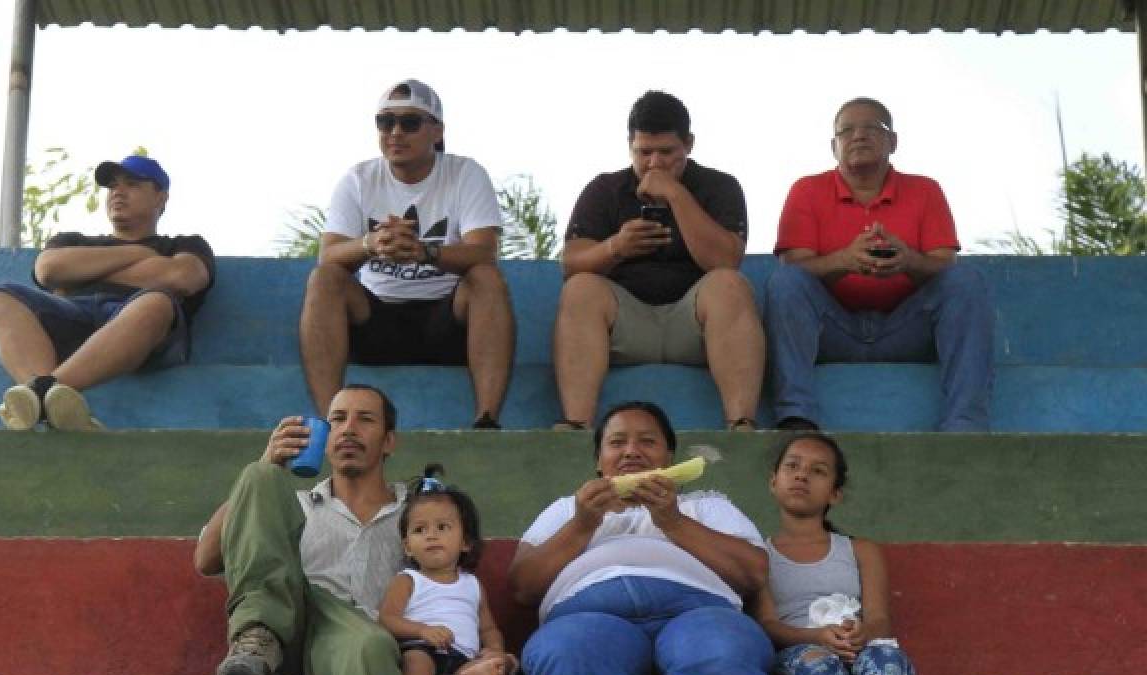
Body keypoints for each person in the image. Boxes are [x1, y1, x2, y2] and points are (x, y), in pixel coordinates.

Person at [508, 401, 773, 675]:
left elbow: (753, 574)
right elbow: (523, 586)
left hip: (698, 612)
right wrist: (582, 525)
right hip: (589, 616)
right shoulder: (567, 509)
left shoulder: (707, 505)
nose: (632, 451)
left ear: (669, 457)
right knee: (563, 652)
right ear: (600, 462)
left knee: (722, 649)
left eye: (647, 441)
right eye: (617, 442)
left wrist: (672, 521)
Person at [193, 384, 407, 675]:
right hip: (288, 625)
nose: (347, 430)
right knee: (257, 478)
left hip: (355, 643)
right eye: (338, 419)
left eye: (365, 420)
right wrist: (266, 462)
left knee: (369, 645)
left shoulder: (416, 510)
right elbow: (205, 559)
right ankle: (257, 637)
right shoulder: (293, 502)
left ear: (389, 441)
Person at [766, 96, 993, 432]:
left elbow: (946, 265)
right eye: (847, 131)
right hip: (832, 328)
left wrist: (908, 261)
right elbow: (792, 266)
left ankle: (965, 425)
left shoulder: (925, 190)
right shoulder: (807, 190)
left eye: (872, 128)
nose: (858, 136)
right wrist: (845, 260)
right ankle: (796, 419)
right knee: (785, 284)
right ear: (834, 146)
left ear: (893, 141)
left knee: (967, 280)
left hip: (905, 327)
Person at [301, 79, 513, 429]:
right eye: (386, 122)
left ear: (437, 131)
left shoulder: (464, 173)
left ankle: (487, 419)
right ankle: (331, 422)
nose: (395, 132)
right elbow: (329, 254)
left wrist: (425, 252)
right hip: (377, 319)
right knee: (325, 278)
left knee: (485, 278)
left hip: (446, 321)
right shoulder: (359, 178)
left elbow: (484, 253)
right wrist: (371, 244)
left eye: (410, 122)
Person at [553, 91, 764, 433]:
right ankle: (577, 423)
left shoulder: (720, 186)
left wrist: (676, 195)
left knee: (730, 285)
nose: (654, 164)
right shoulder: (605, 189)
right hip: (624, 324)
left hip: (695, 324)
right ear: (630, 146)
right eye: (644, 152)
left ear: (689, 144)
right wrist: (615, 247)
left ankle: (740, 424)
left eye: (666, 153)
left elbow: (725, 260)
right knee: (581, 289)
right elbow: (571, 265)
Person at [0, 155, 214, 431]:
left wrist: (83, 272)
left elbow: (181, 277)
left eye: (132, 184)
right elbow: (48, 269)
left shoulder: (184, 244)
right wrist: (138, 254)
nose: (118, 192)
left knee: (157, 302)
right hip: (71, 317)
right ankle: (51, 398)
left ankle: (39, 394)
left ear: (161, 197)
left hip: (139, 330)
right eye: (112, 186)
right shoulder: (73, 240)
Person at [755, 433, 914, 675]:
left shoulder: (860, 550)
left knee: (890, 659)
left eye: (818, 471)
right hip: (801, 649)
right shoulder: (759, 555)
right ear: (773, 481)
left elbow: (880, 620)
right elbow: (768, 627)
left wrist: (860, 633)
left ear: (835, 494)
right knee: (819, 667)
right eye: (792, 466)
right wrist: (818, 637)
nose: (801, 476)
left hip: (856, 644)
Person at [378, 464, 518, 675]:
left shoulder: (472, 584)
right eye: (420, 530)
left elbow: (487, 626)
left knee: (507, 661)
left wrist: (493, 648)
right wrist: (422, 630)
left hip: (465, 654)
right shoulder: (408, 580)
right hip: (422, 649)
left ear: (465, 541)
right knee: (416, 663)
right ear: (407, 546)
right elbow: (387, 619)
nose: (431, 535)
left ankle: (470, 672)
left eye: (442, 527)